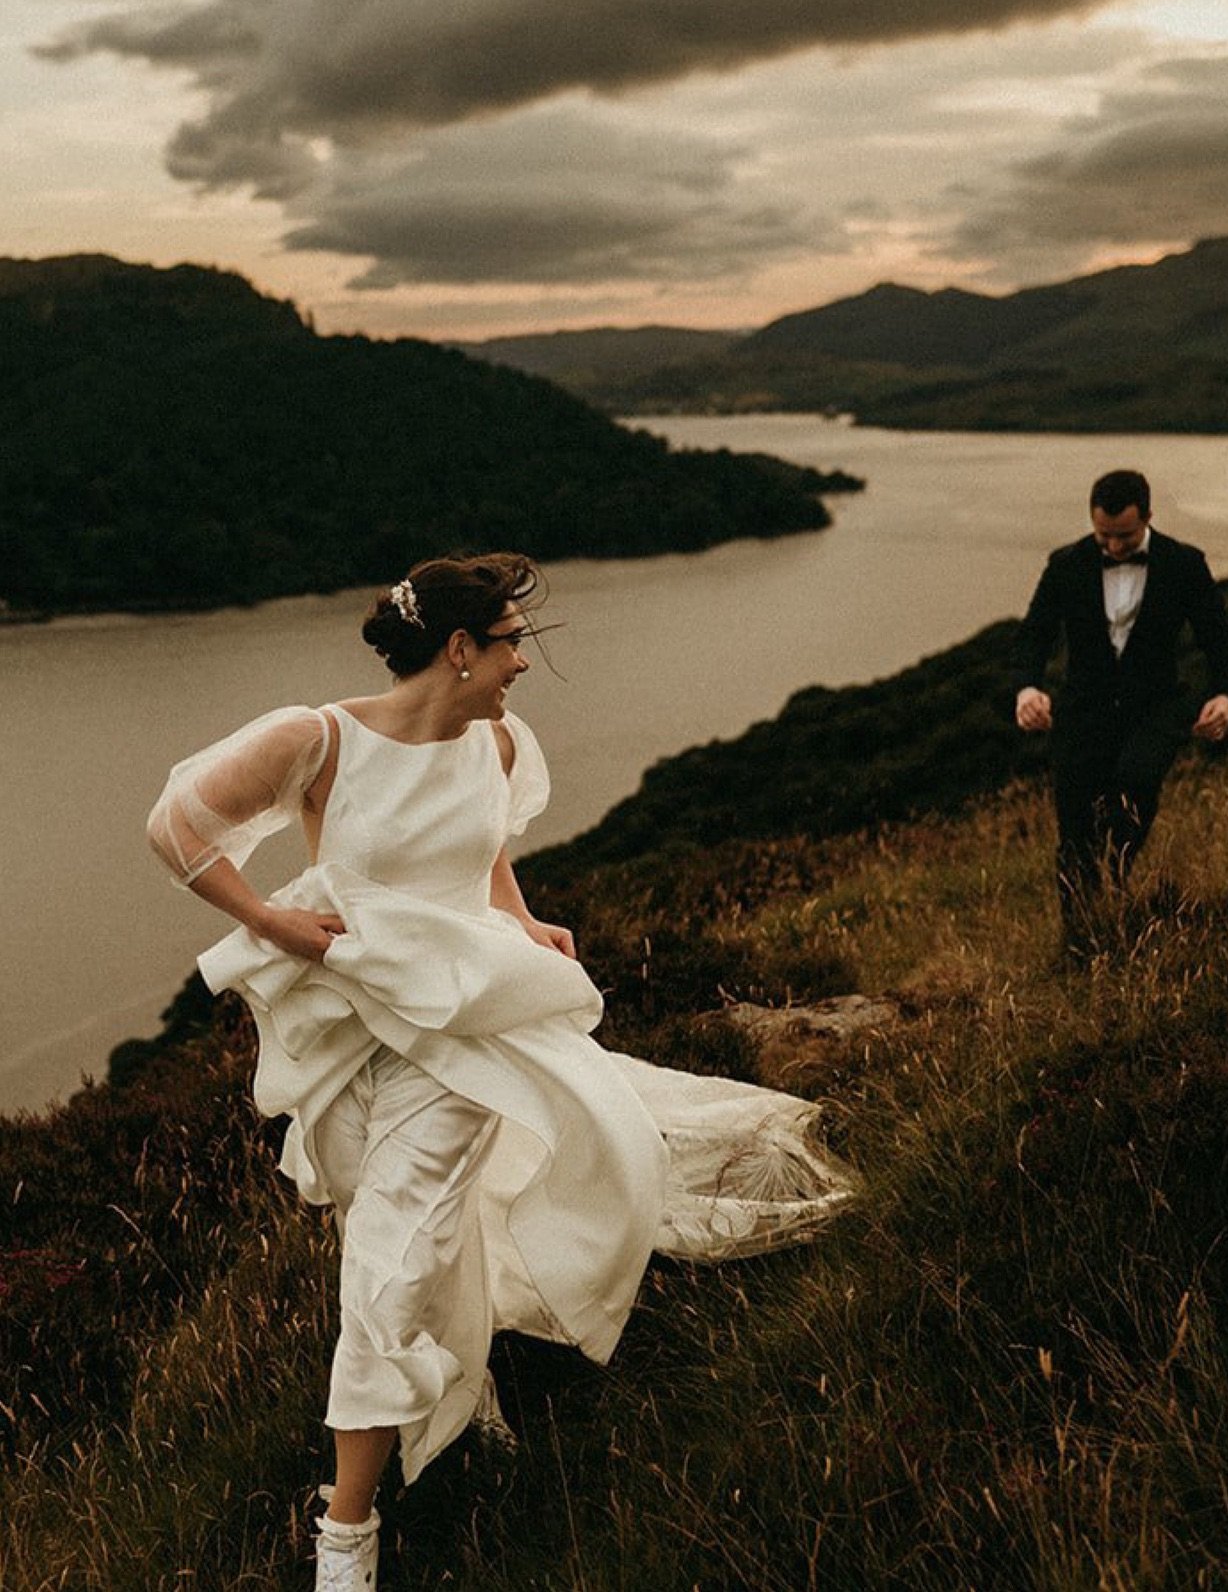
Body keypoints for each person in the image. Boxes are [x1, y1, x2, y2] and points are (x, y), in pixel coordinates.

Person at [146, 553, 850, 1592]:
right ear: (461, 648)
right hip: (349, 1011)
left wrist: (516, 917)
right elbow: (176, 827)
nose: (526, 660)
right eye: (513, 640)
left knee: (395, 1246)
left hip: (461, 1017)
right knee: (402, 1222)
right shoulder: (321, 737)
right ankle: (457, 1389)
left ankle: (345, 1535)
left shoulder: (500, 738)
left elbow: (486, 842)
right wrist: (266, 917)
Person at [1011, 470, 1228, 953]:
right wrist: (1027, 688)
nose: (1113, 547)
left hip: (1154, 706)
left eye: (1125, 536)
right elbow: (1034, 632)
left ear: (1148, 518)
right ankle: (1080, 946)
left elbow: (1217, 635)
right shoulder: (1066, 564)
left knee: (1135, 782)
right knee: (1074, 831)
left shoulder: (1184, 563)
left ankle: (1115, 874)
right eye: (1103, 535)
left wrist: (1224, 693)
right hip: (1081, 710)